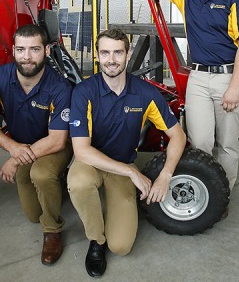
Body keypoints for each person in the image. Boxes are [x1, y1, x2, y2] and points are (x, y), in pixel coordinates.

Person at [105, 0, 239, 191]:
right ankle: (206, 189)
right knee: (200, 141)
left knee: (228, 143)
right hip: (198, 77)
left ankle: (222, 194)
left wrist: (235, 87)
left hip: (229, 78)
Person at [67, 29, 186, 277]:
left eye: (118, 52)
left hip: (122, 163)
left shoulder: (145, 93)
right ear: (98, 56)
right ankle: (96, 240)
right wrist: (132, 173)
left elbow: (178, 135)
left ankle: (111, 230)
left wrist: (165, 175)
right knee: (78, 183)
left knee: (121, 246)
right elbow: (81, 151)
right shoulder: (84, 92)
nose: (112, 59)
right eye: (106, 53)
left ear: (128, 54)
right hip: (91, 162)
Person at [0, 24, 72, 265]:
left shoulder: (59, 87)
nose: (27, 57)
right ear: (14, 51)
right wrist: (13, 148)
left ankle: (53, 230)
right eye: (21, 49)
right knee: (32, 214)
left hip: (53, 145)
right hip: (22, 144)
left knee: (41, 173)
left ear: (47, 51)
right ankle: (56, 186)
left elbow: (57, 139)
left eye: (34, 49)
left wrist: (16, 159)